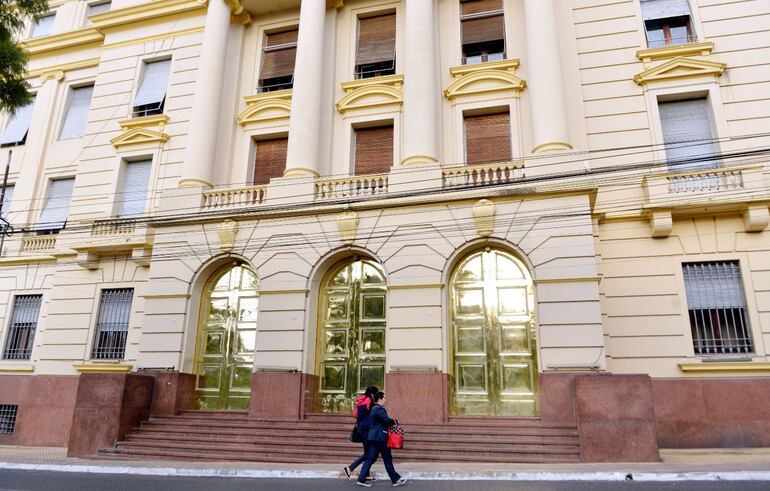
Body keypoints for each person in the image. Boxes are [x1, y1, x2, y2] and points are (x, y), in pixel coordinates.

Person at [356, 391, 407, 488]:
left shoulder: (374, 409)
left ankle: (361, 479)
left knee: (370, 458)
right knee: (387, 458)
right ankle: (395, 480)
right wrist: (395, 421)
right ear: (380, 399)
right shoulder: (379, 409)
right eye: (385, 398)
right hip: (380, 438)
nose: (386, 400)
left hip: (374, 438)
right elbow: (387, 421)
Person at [344, 385, 379, 481]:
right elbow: (373, 415)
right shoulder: (369, 401)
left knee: (368, 453)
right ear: (372, 393)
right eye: (375, 393)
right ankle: (350, 468)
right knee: (369, 454)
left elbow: (356, 415)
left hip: (361, 428)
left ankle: (366, 473)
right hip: (366, 430)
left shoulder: (361, 400)